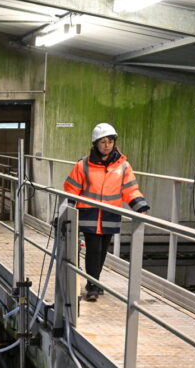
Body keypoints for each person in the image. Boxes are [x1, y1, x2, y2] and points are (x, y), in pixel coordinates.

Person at [63, 123, 150, 302]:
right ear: (95, 144)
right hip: (90, 215)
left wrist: (140, 206)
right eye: (103, 142)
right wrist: (65, 211)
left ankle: (94, 282)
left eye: (110, 141)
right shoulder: (83, 165)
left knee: (102, 251)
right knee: (93, 250)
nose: (107, 145)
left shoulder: (123, 166)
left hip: (110, 216)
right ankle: (93, 286)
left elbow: (130, 189)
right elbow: (71, 189)